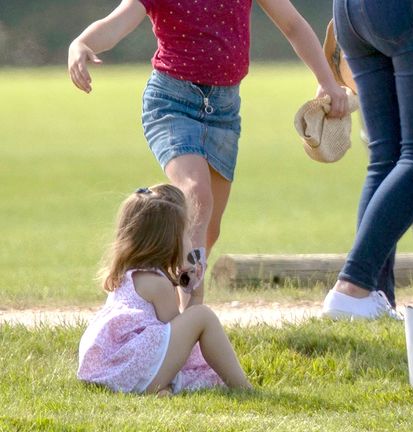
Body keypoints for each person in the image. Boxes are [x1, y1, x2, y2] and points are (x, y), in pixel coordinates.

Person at [68, 0, 348, 307]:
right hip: (171, 104)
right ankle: (191, 317)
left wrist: (326, 80)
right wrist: (81, 43)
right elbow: (115, 24)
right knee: (196, 192)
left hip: (225, 113)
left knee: (208, 229)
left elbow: (293, 25)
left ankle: (155, 287)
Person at [321, 0, 413, 319]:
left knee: (388, 155)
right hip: (408, 13)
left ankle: (371, 296)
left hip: (350, 13)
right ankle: (354, 284)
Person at [78, 184, 252, 395]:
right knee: (203, 316)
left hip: (116, 371)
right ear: (168, 242)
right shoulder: (157, 284)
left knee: (193, 320)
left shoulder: (127, 276)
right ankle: (244, 387)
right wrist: (196, 295)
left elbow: (171, 336)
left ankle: (162, 388)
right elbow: (180, 345)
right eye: (186, 234)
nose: (189, 240)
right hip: (139, 371)